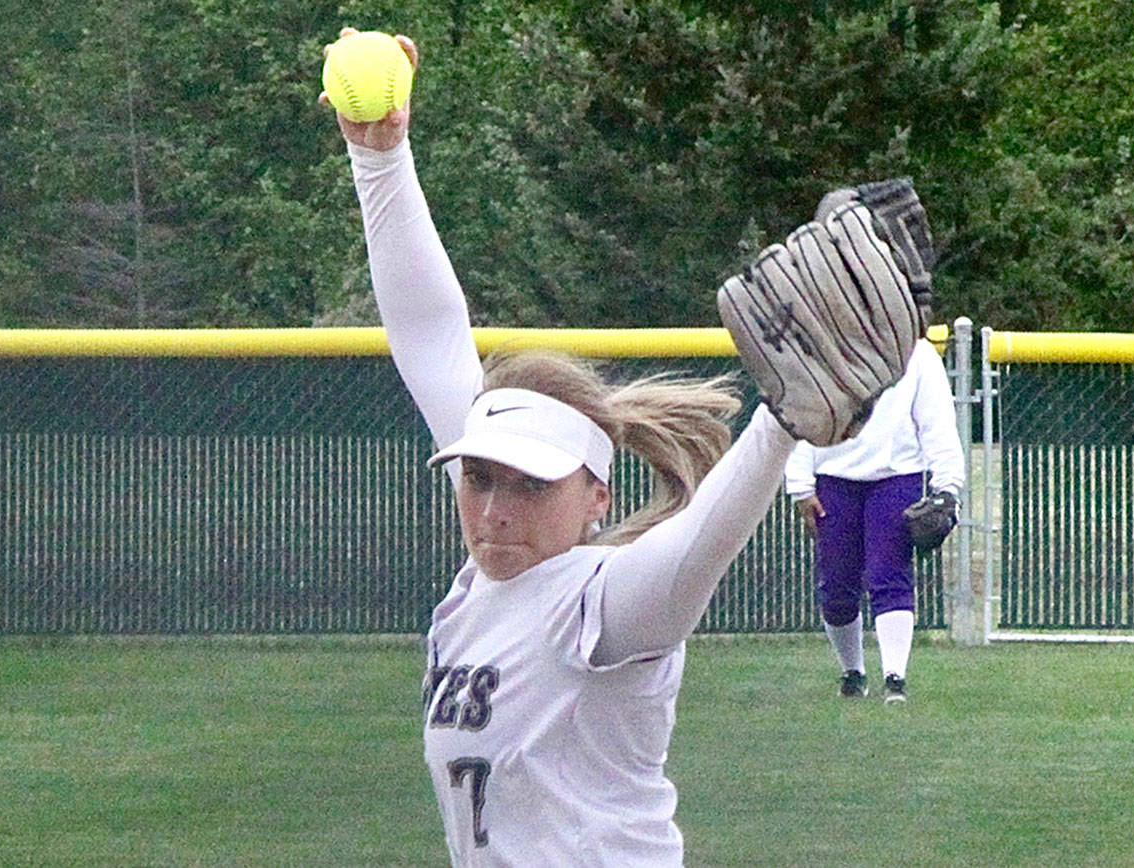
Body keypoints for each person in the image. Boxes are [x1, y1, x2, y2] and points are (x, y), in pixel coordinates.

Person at [323, 27, 917, 864]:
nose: (494, 509)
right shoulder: (476, 592)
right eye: (479, 478)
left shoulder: (601, 604)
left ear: (596, 495)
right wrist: (379, 160)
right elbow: (428, 334)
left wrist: (779, 426)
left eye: (531, 486)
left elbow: (693, 555)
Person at [784, 336, 964, 704]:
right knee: (836, 585)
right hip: (833, 476)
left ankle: (894, 677)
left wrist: (948, 487)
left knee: (888, 574)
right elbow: (804, 412)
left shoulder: (916, 352)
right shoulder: (823, 340)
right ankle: (853, 671)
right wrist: (800, 484)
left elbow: (937, 423)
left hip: (896, 477)